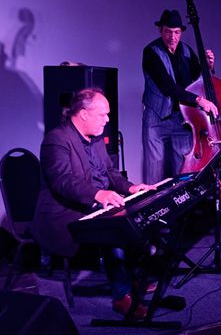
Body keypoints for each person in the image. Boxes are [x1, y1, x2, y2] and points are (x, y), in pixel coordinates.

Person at [32, 88, 156, 318]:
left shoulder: (96, 138)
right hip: (65, 212)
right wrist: (98, 195)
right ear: (83, 114)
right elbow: (63, 181)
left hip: (94, 203)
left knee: (139, 212)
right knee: (112, 228)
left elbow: (110, 172)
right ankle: (122, 296)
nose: (107, 120)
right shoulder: (56, 139)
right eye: (102, 114)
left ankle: (135, 275)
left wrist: (130, 188)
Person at [142, 9, 219, 184]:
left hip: (182, 118)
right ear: (160, 30)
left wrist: (207, 67)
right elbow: (167, 86)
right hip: (156, 118)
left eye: (176, 32)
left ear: (181, 32)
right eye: (168, 32)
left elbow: (197, 79)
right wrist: (199, 100)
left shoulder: (186, 51)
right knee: (154, 172)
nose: (172, 37)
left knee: (183, 170)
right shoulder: (151, 52)